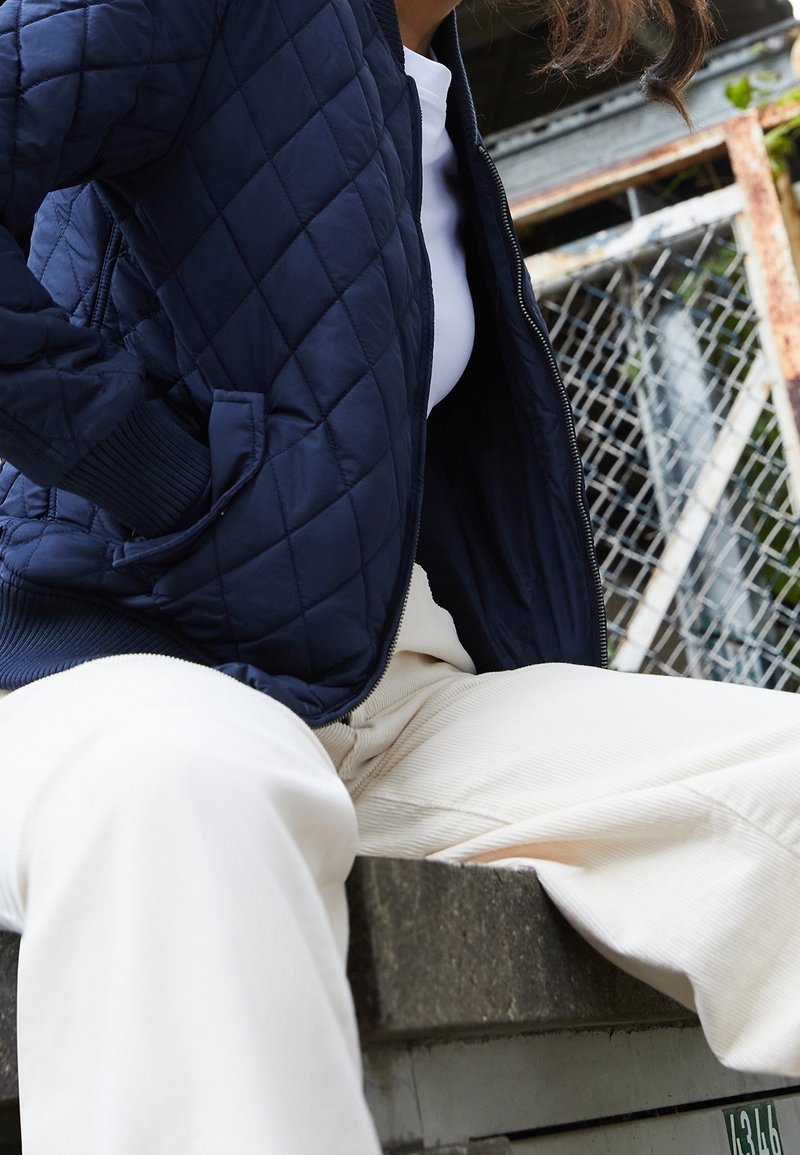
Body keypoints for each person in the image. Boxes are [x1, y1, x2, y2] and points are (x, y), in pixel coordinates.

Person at [0, 0, 797, 1150]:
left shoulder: (428, 77)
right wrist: (157, 473)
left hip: (384, 682)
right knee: (182, 794)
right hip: (92, 653)